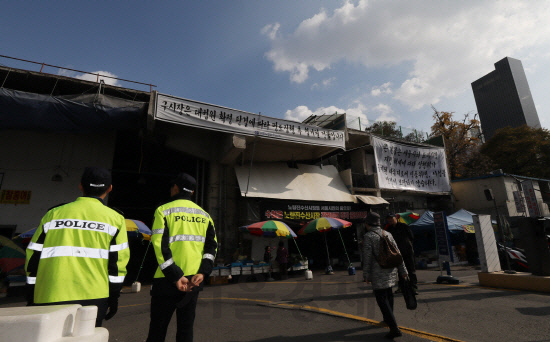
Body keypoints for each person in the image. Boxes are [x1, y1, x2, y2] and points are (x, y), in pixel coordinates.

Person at [25, 167, 129, 327]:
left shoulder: (54, 214)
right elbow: (117, 265)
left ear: (80, 186)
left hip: (50, 294)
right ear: (109, 189)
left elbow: (33, 256)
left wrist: (31, 291)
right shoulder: (116, 219)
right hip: (94, 297)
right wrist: (113, 297)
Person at [146, 173, 217, 342]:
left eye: (172, 187)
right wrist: (204, 272)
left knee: (157, 330)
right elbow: (211, 247)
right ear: (192, 192)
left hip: (167, 279)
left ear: (176, 188)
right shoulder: (205, 215)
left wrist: (175, 275)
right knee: (186, 330)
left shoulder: (163, 210)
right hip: (193, 281)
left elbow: (159, 245)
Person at [363, 212, 408, 339]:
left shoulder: (369, 236)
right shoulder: (387, 233)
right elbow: (397, 253)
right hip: (391, 270)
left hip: (378, 272)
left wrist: (366, 274)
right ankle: (388, 319)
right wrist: (403, 270)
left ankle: (394, 328)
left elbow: (367, 257)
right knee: (388, 294)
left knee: (381, 298)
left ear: (368, 224)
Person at [385, 213, 417, 294]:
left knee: (411, 270)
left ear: (395, 218)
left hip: (407, 251)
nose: (390, 220)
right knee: (399, 271)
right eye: (388, 219)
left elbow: (411, 237)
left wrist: (406, 244)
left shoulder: (404, 226)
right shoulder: (388, 229)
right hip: (397, 253)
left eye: (391, 218)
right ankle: (402, 287)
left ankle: (413, 287)